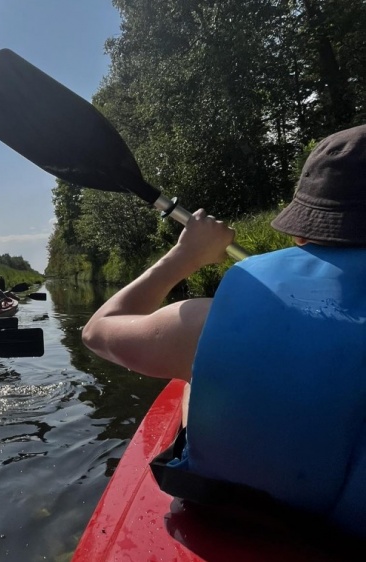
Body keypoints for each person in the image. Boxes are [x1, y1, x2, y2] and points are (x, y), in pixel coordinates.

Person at [81, 124, 366, 538]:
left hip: (246, 520)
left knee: (201, 374)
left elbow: (97, 330)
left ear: (304, 228)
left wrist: (184, 256)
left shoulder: (206, 324)